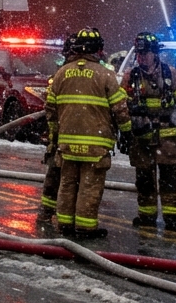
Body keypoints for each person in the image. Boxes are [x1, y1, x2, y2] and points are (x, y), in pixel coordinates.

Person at [43, 28, 131, 240]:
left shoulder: (62, 73)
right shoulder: (105, 75)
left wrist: (55, 138)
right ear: (98, 50)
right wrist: (127, 133)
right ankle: (85, 228)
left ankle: (65, 224)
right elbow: (120, 108)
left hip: (67, 144)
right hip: (96, 145)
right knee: (89, 187)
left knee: (67, 184)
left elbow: (50, 109)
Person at [120, 32, 176, 231]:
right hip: (141, 139)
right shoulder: (130, 77)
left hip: (167, 140)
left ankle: (172, 220)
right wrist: (124, 132)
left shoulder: (171, 75)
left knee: (169, 180)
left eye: (145, 53)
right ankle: (147, 217)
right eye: (139, 54)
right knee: (144, 181)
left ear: (155, 53)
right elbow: (120, 105)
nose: (141, 57)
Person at [40, 35, 76, 219]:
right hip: (67, 133)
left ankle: (49, 210)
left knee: (57, 172)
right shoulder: (65, 73)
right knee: (65, 176)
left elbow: (51, 104)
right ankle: (62, 214)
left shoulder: (62, 73)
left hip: (61, 133)